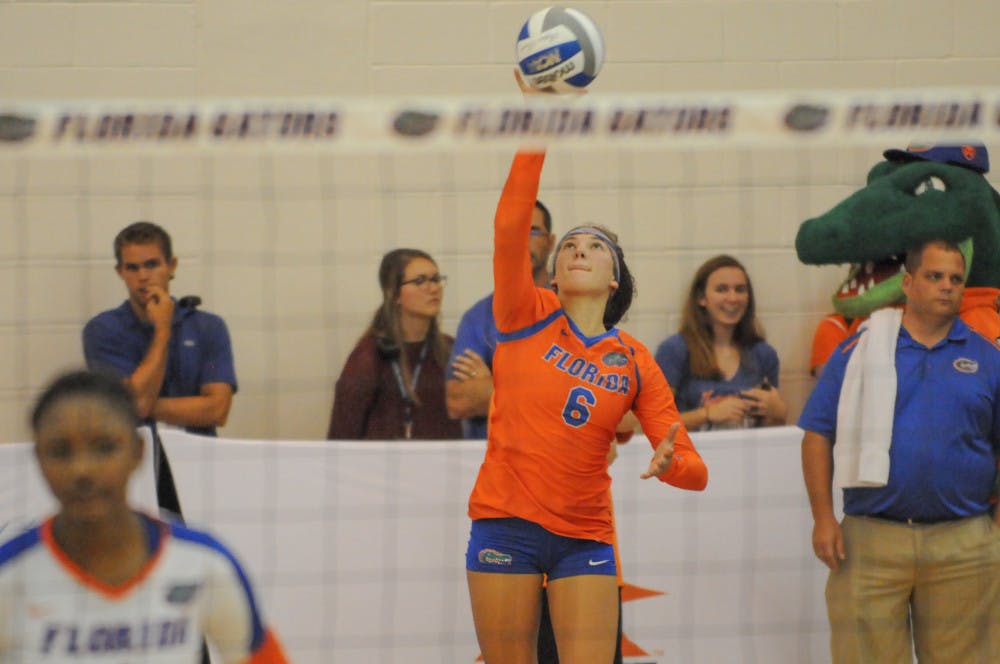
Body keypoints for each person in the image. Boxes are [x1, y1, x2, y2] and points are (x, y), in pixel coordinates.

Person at [465, 147, 708, 664]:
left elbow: (695, 471)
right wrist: (535, 128)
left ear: (613, 276)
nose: (578, 250)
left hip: (585, 538)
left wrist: (672, 465)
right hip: (506, 525)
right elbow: (510, 227)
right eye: (569, 245)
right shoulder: (524, 313)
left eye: (594, 246)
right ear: (551, 273)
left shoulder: (635, 359)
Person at [799, 238, 1000, 663]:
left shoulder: (989, 358)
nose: (946, 286)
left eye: (955, 279)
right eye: (934, 276)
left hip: (964, 543)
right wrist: (822, 519)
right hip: (870, 539)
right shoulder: (858, 351)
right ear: (908, 283)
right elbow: (817, 432)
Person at [0, 369, 288, 663]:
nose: (82, 470)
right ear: (38, 458)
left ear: (138, 452)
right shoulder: (9, 572)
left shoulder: (204, 562)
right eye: (61, 451)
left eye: (104, 447)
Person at [83, 221, 237, 518]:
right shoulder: (102, 331)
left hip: (199, 471)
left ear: (171, 265)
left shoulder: (208, 328)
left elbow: (217, 409)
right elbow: (134, 403)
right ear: (120, 272)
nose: (143, 277)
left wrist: (141, 406)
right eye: (132, 268)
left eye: (152, 265)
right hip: (131, 473)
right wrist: (163, 330)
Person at [446, 199, 555, 439]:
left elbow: (597, 393)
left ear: (551, 242)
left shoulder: (578, 307)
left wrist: (493, 383)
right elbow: (458, 401)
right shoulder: (478, 318)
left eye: (533, 231)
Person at [327, 248, 462, 440]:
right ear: (394, 293)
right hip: (383, 467)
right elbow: (341, 436)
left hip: (446, 465)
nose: (433, 288)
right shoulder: (368, 357)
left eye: (436, 279)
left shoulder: (452, 350)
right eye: (420, 281)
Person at [654, 254, 787, 431]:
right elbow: (655, 422)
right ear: (702, 298)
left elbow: (774, 429)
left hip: (749, 456)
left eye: (740, 289)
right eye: (722, 289)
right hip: (691, 456)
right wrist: (707, 414)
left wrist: (778, 412)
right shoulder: (674, 350)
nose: (732, 298)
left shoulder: (763, 354)